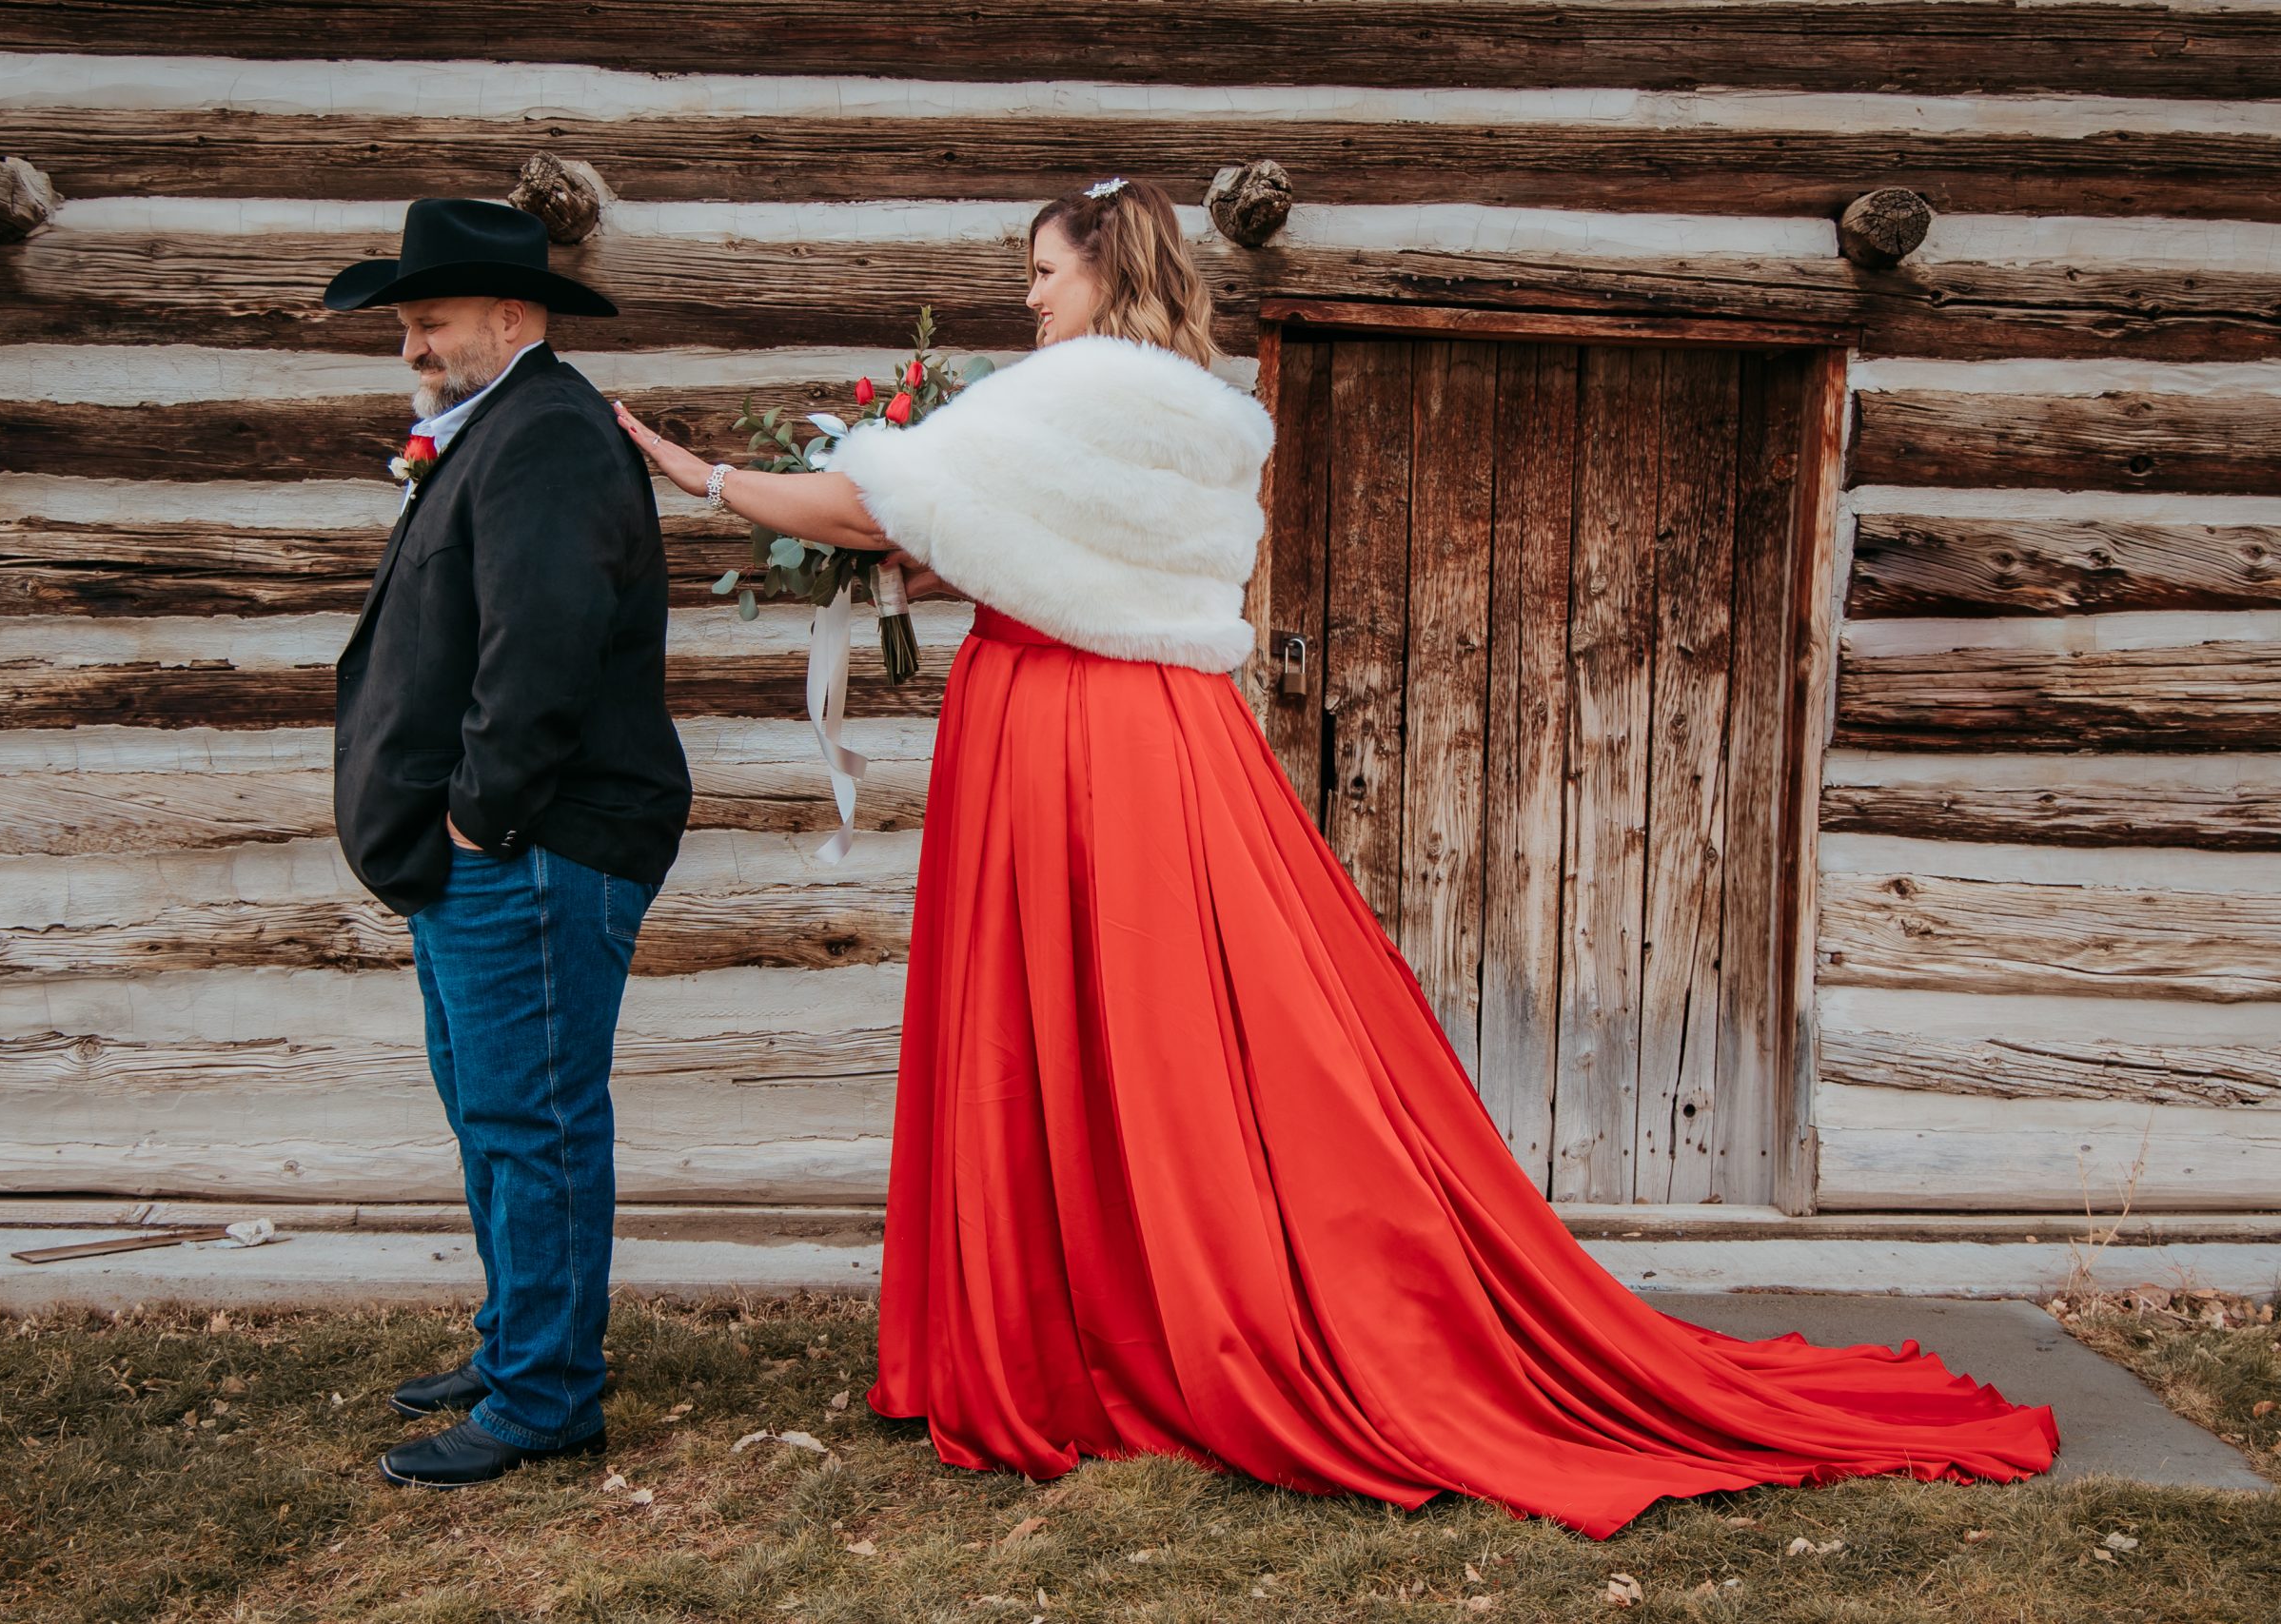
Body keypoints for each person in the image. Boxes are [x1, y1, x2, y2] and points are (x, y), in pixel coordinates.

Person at [613, 177, 2057, 1538]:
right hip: (1161, 726)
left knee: (1078, 1024)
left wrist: (710, 476)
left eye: (1042, 275)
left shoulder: (1072, 386)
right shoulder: (1188, 409)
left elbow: (879, 506)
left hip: (1066, 733)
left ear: (1104, 274)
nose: (1028, 303)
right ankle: (1140, 1293)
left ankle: (1098, 1328)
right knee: (1166, 1024)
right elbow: (1024, 540)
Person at [327, 198, 693, 1488]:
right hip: (484, 852)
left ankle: (546, 1396)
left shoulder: (544, 432)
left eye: (430, 321)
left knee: (531, 1119)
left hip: (530, 843)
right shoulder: (498, 430)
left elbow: (536, 648)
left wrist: (479, 816)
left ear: (513, 315)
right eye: (408, 326)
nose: (414, 346)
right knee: (491, 1112)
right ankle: (515, 1347)